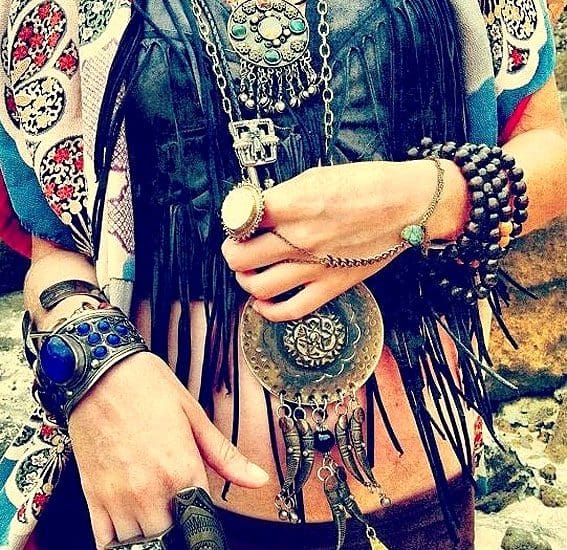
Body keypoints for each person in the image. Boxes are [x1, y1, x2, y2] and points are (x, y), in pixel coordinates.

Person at [0, 0, 565, 549]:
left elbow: (550, 153)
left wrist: (429, 198)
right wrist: (96, 370)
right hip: (175, 505)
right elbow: (56, 251)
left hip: (422, 500)